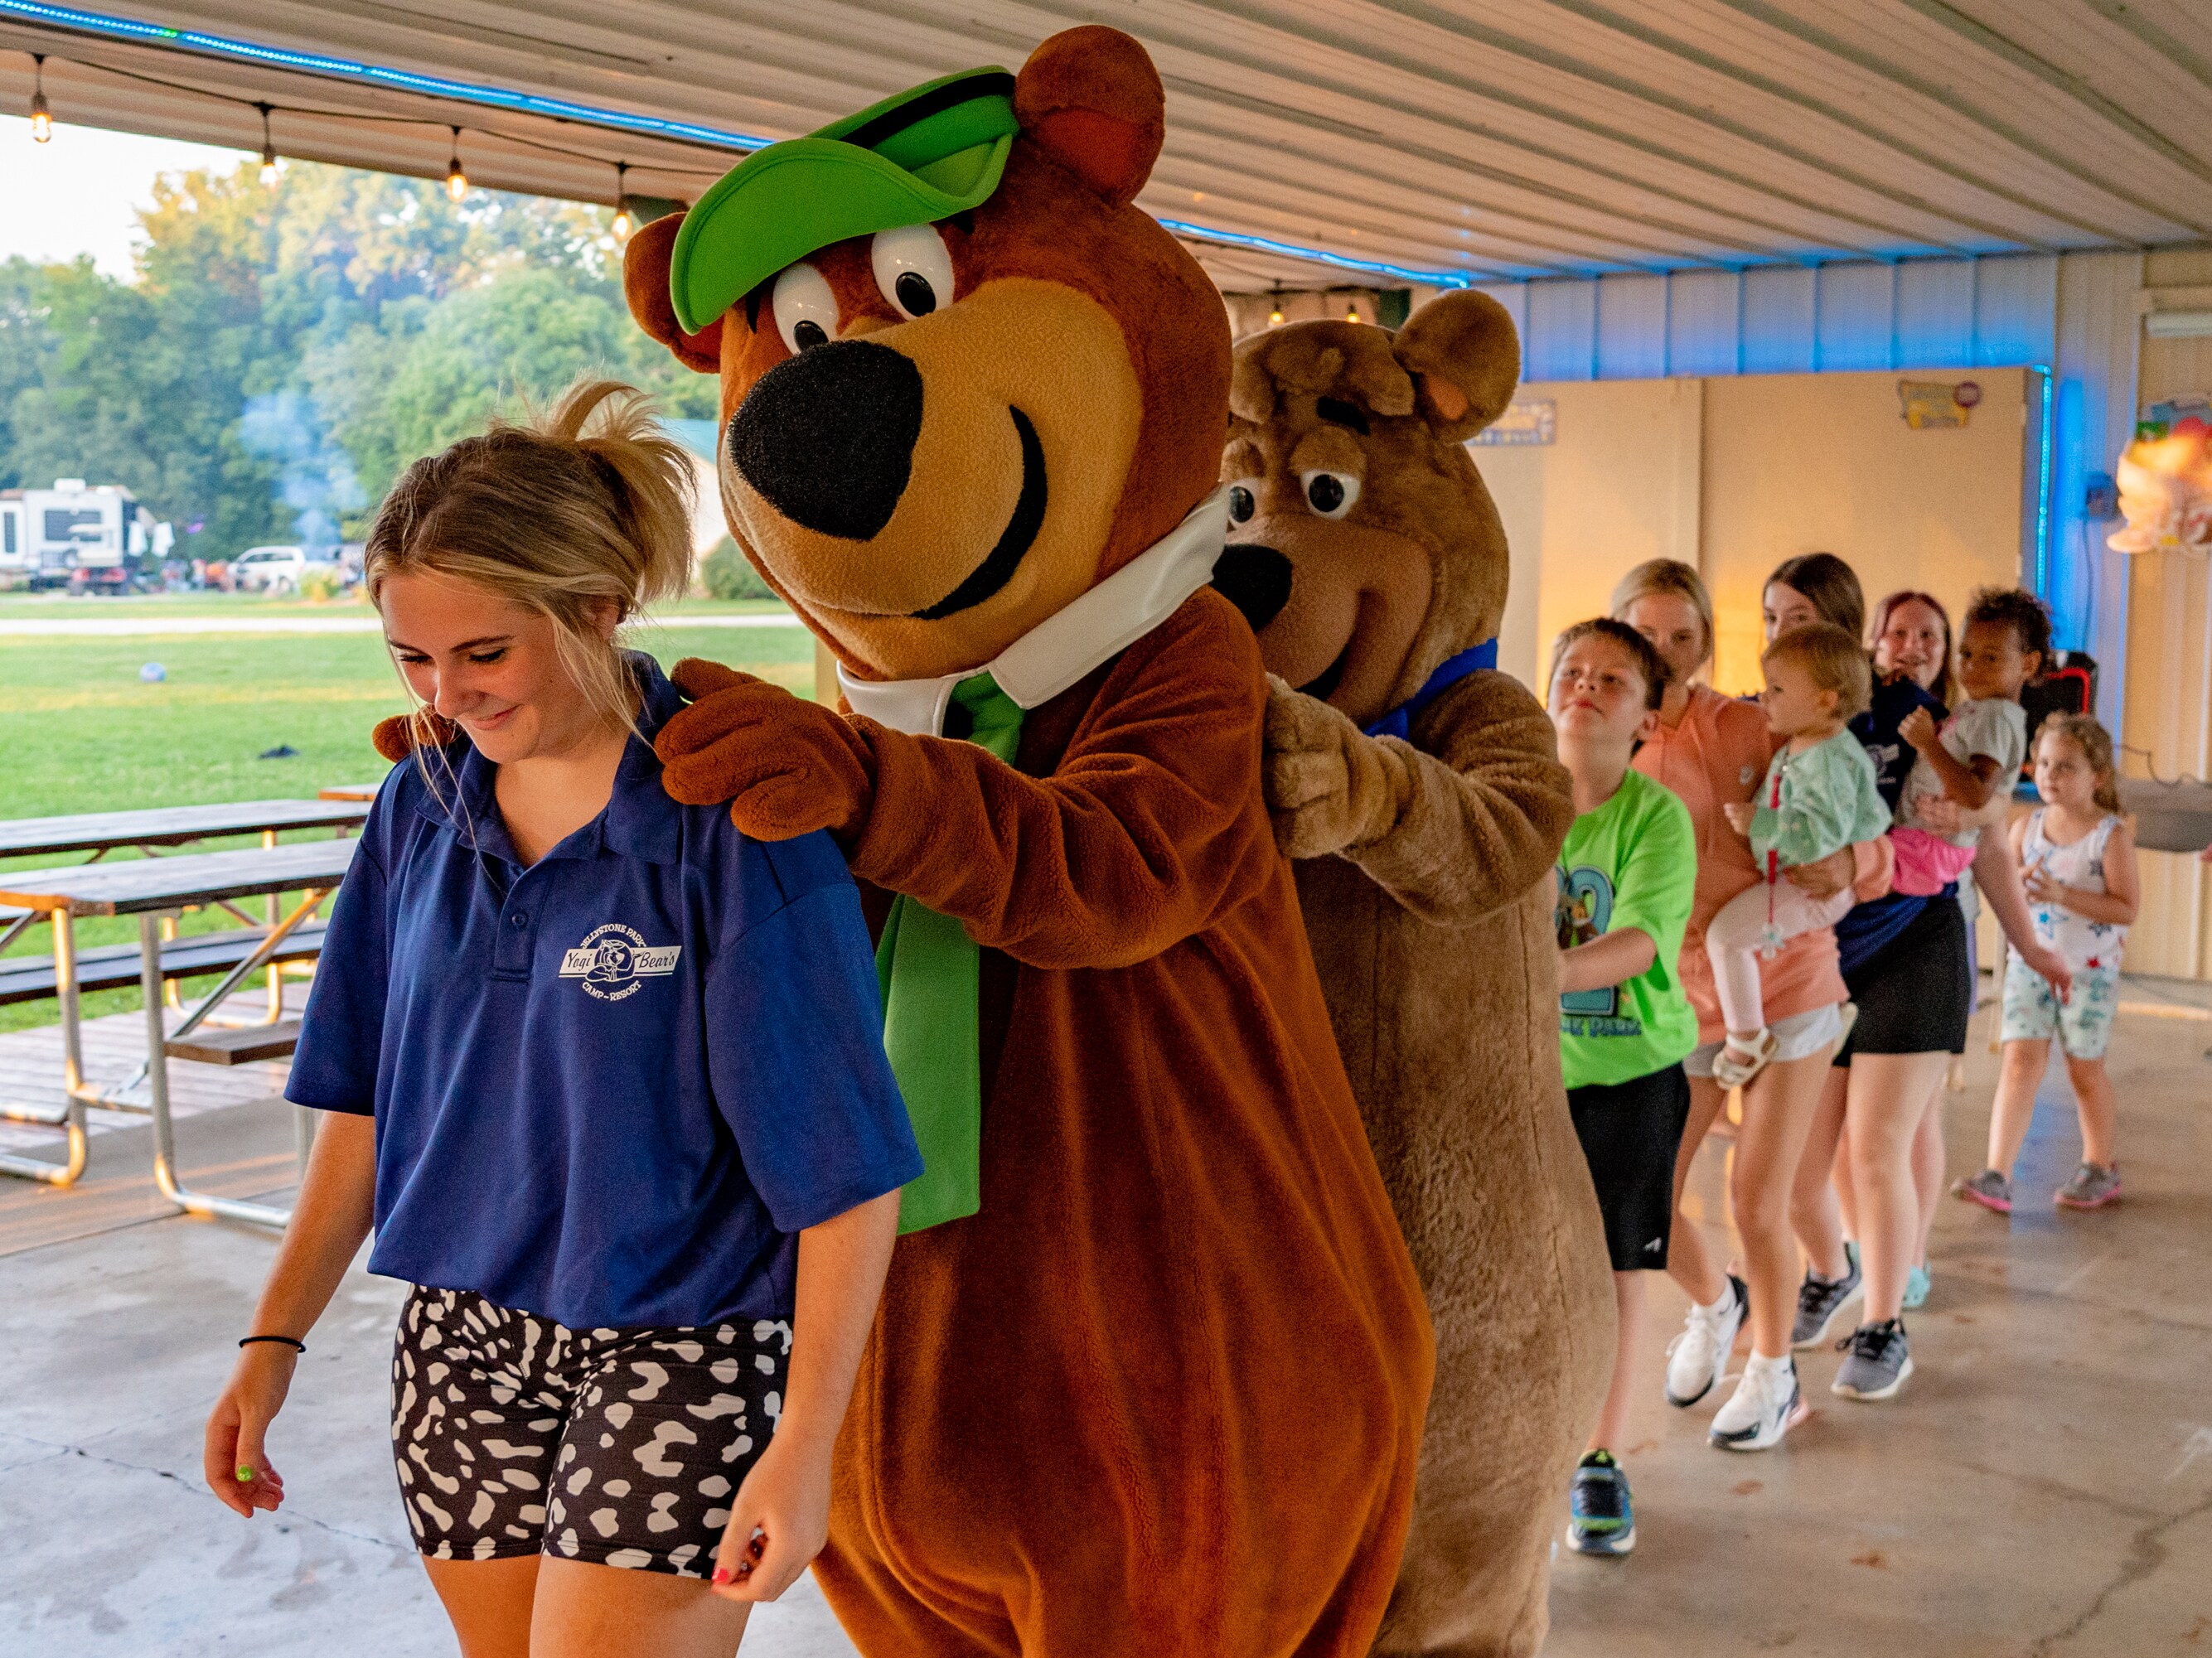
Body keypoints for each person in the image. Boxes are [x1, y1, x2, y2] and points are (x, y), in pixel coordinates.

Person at [200, 381, 922, 1658]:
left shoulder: (728, 814)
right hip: (461, 1342)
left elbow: (843, 1174)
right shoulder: (418, 806)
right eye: (412, 657)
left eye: (484, 653)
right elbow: (362, 1107)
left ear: (595, 610)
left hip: (682, 1343)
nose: (446, 693)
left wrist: (807, 1449)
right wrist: (273, 1337)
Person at [1768, 558, 2068, 1404]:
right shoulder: (1786, 708)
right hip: (1827, 949)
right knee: (1802, 1166)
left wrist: (2029, 945)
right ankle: (1832, 1272)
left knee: (1878, 1147)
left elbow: (1986, 831)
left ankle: (1884, 1323)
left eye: (1797, 618)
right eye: (1771, 620)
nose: (1782, 635)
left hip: (1916, 940)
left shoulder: (1920, 712)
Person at [1613, 561, 1875, 1452]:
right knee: (1642, 1194)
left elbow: (1849, 821)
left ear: (1703, 644)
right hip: (1675, 1002)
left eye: (1680, 636)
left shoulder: (1748, 723)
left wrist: (1850, 869)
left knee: (1755, 1197)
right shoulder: (1602, 742)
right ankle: (1712, 1303)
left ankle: (1773, 1374)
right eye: (1644, 635)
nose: (1662, 653)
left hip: (1786, 984)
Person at [1546, 620, 1699, 1554]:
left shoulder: (1655, 818)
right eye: (1571, 672)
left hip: (1630, 1076)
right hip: (1524, 1079)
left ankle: (1598, 1461)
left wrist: (1538, 972)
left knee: (1616, 1274)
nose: (1586, 688)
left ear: (1644, 717)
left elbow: (1640, 940)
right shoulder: (1515, 799)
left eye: (1612, 679)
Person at [1955, 715, 2137, 1212]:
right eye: (2045, 764)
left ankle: (2099, 1164)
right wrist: (2017, 879)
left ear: (2097, 777)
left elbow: (2126, 908)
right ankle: (1998, 1172)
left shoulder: (2109, 837)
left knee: (2084, 1070)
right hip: (2029, 966)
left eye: (2068, 767)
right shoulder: (2025, 828)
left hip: (2089, 973)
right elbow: (2004, 882)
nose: (2052, 775)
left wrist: (2064, 894)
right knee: (2018, 1062)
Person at [1705, 623, 1890, 1085]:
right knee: (1733, 937)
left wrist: (1762, 822)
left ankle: (1746, 1038)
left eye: (1779, 689)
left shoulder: (1826, 758)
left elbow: (1822, 836)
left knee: (1727, 938)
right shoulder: (1807, 745)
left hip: (1812, 883)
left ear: (1826, 699)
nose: (1765, 698)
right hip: (1796, 880)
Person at [1890, 587, 2044, 897]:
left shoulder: (1997, 717)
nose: (1973, 667)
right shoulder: (1979, 710)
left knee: (1850, 871)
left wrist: (1928, 744)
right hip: (1922, 841)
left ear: (2028, 664)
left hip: (1929, 845)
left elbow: (1976, 794)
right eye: (1967, 654)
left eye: (1991, 657)